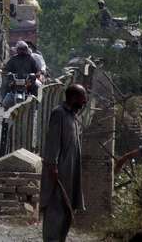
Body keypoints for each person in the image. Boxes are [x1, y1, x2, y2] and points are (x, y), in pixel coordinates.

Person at [40, 84, 87, 242]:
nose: (85, 101)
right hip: (59, 173)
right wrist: (52, 167)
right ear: (73, 98)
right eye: (82, 98)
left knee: (68, 210)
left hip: (71, 173)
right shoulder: (59, 113)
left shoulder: (73, 116)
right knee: (55, 209)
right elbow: (53, 143)